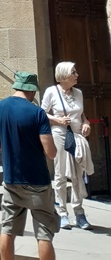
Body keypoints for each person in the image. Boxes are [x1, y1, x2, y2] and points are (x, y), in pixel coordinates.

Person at [0, 71, 58, 260]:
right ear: (32, 91)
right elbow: (50, 152)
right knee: (44, 234)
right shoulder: (37, 113)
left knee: (7, 229)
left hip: (11, 179)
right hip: (38, 181)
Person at [41, 62, 94, 230]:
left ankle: (79, 212)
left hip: (77, 136)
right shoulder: (51, 92)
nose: (77, 75)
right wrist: (57, 120)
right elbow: (41, 113)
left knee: (79, 174)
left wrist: (86, 123)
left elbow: (82, 114)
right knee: (60, 173)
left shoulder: (78, 93)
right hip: (60, 135)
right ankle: (62, 212)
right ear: (64, 75)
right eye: (73, 72)